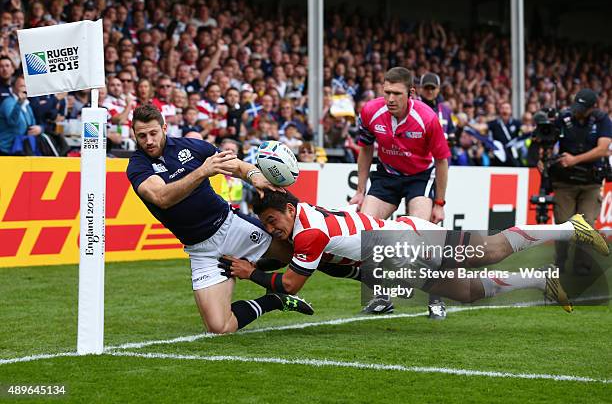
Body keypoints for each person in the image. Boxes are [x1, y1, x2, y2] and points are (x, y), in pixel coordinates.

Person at [223, 190, 610, 313]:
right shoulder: (301, 214)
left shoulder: (308, 235)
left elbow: (290, 285)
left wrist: (250, 272)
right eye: (267, 224)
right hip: (393, 258)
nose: (272, 228)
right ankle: (540, 279)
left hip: (407, 238)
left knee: (490, 250)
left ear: (290, 210)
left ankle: (569, 227)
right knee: (468, 292)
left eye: (274, 220)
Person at [126, 104, 313, 334]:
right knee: (220, 327)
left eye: (153, 133)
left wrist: (254, 175)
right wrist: (203, 171)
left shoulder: (190, 146)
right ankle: (274, 301)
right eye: (141, 136)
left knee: (291, 252)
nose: (148, 141)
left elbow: (235, 165)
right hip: (200, 250)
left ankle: (252, 268)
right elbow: (161, 197)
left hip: (230, 226)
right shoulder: (137, 166)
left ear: (164, 128)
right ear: (134, 134)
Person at [348, 67, 450, 318]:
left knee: (418, 235)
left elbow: (442, 161)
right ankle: (382, 298)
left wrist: (439, 202)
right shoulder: (371, 111)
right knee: (367, 232)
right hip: (387, 175)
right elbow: (365, 149)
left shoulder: (427, 118)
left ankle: (436, 297)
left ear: (411, 93)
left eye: (397, 93)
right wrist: (360, 190)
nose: (390, 99)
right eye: (387, 92)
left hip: (420, 177)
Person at [549, 89, 612, 274]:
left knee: (586, 225)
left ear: (593, 107)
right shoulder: (564, 118)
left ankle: (582, 265)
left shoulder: (602, 120)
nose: (578, 110)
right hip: (565, 181)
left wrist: (574, 159)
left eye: (582, 108)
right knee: (562, 224)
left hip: (590, 182)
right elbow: (548, 140)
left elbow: (603, 150)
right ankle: (560, 262)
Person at [487, 101, 522, 167]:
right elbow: (484, 127)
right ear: (499, 110)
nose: (505, 111)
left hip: (512, 155)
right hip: (498, 155)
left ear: (511, 110)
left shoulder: (516, 123)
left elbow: (524, 129)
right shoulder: (494, 123)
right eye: (502, 108)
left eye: (507, 108)